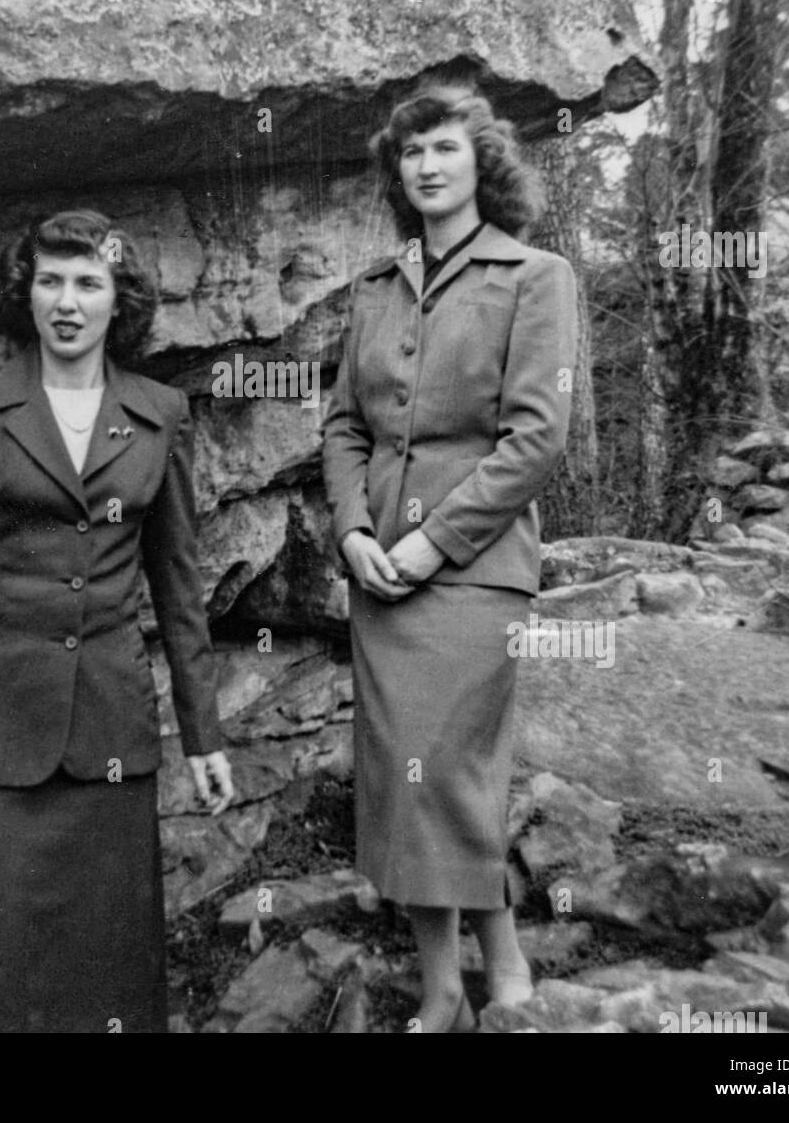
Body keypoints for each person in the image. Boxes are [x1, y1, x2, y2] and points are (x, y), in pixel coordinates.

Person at [0, 208, 234, 1033]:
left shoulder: (159, 413)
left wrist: (203, 735)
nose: (67, 301)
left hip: (108, 737)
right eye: (50, 281)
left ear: (118, 301)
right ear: (28, 292)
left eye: (89, 283)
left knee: (104, 970)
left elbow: (177, 588)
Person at [322, 87, 577, 1032]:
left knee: (445, 765)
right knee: (402, 775)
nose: (426, 166)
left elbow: (537, 438)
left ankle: (478, 978)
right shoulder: (374, 289)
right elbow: (343, 426)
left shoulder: (534, 275)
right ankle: (461, 984)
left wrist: (432, 541)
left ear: (482, 163)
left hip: (472, 572)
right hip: (378, 571)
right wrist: (354, 534)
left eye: (444, 148)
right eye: (410, 154)